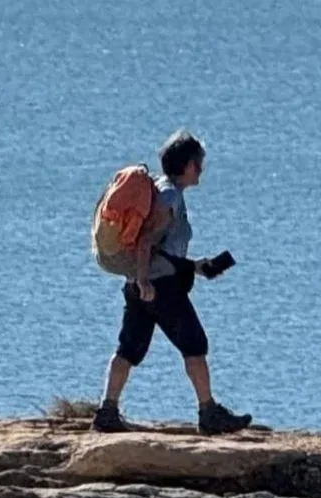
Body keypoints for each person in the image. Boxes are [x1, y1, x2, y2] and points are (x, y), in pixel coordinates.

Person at [92, 131, 253, 435]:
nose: (201, 169)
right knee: (194, 344)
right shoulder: (169, 197)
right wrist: (145, 282)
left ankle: (107, 411)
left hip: (142, 282)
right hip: (158, 286)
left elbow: (158, 247)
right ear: (187, 164)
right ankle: (209, 413)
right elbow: (146, 241)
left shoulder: (159, 189)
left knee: (129, 349)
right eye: (198, 163)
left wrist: (196, 267)